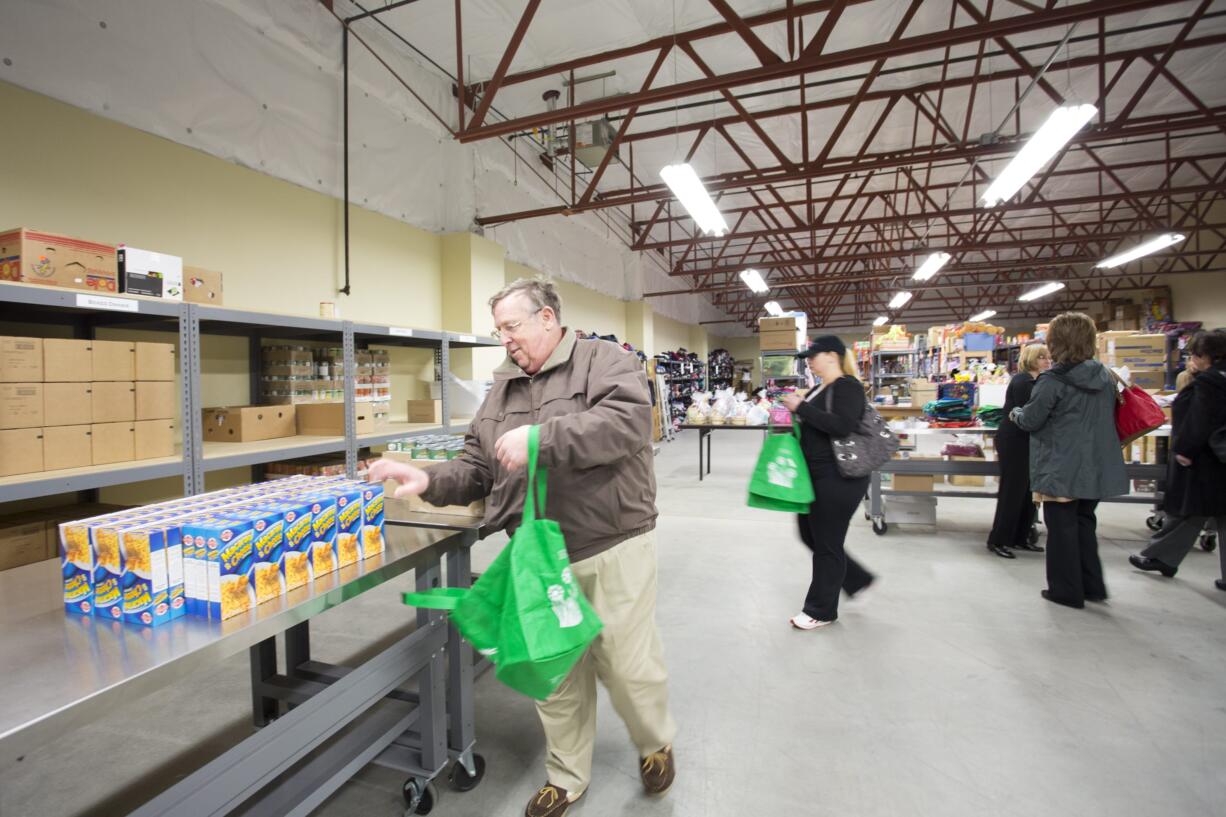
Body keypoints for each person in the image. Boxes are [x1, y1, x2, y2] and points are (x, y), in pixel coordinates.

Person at [368, 278, 677, 817]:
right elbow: (476, 467)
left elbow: (627, 424)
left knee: (628, 665)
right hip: (538, 556)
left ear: (548, 318)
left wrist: (542, 439)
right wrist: (423, 476)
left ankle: (654, 741)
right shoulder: (501, 391)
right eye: (499, 330)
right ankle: (566, 775)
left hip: (612, 542)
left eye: (512, 326)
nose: (505, 339)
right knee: (552, 673)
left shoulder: (603, 361)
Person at [1011, 312, 1128, 609]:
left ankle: (1066, 590)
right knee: (1085, 523)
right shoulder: (1104, 375)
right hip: (1096, 463)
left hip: (1061, 465)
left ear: (1056, 342)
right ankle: (1092, 586)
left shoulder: (1054, 380)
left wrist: (1016, 413)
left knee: (1061, 528)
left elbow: (1032, 419)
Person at [780, 336, 875, 630]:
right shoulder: (820, 388)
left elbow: (842, 425)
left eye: (813, 355)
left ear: (832, 356)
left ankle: (821, 610)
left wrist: (801, 408)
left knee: (827, 543)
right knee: (809, 533)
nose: (809, 360)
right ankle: (856, 578)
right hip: (817, 474)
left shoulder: (847, 386)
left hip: (840, 476)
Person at [1128, 329, 1226, 589]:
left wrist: (1184, 451)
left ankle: (1162, 557)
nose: (1192, 359)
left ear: (1209, 356)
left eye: (1196, 354)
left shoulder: (1210, 383)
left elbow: (1200, 420)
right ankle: (1163, 557)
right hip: (1215, 457)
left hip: (1205, 459)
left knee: (1190, 511)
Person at [986, 343, 1052, 558]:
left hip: (1029, 441)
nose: (1047, 361)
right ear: (1031, 359)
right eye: (1041, 357)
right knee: (1012, 492)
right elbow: (1032, 415)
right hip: (1015, 441)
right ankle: (999, 540)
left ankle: (1021, 537)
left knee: (1028, 492)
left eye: (1048, 357)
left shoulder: (1039, 381)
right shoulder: (1023, 381)